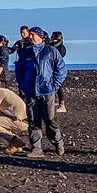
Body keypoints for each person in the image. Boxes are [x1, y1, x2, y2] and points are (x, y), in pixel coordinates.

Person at [17, 27, 68, 157]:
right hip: (31, 92)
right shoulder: (25, 53)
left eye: (33, 35)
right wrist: (23, 86)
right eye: (30, 35)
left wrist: (54, 85)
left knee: (50, 120)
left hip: (47, 91)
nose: (30, 37)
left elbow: (61, 69)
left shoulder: (50, 51)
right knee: (33, 121)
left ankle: (57, 142)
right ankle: (36, 148)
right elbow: (19, 71)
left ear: (40, 36)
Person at [10, 25, 33, 94]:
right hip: (21, 63)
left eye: (24, 33)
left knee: (29, 82)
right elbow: (11, 51)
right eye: (21, 33)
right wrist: (15, 48)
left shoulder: (32, 42)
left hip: (29, 64)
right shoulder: (19, 42)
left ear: (28, 32)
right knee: (21, 82)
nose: (22, 35)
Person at [49, 31, 67, 113]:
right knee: (53, 86)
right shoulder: (53, 46)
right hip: (52, 68)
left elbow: (59, 56)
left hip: (57, 69)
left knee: (58, 86)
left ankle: (62, 105)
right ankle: (55, 101)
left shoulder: (61, 47)